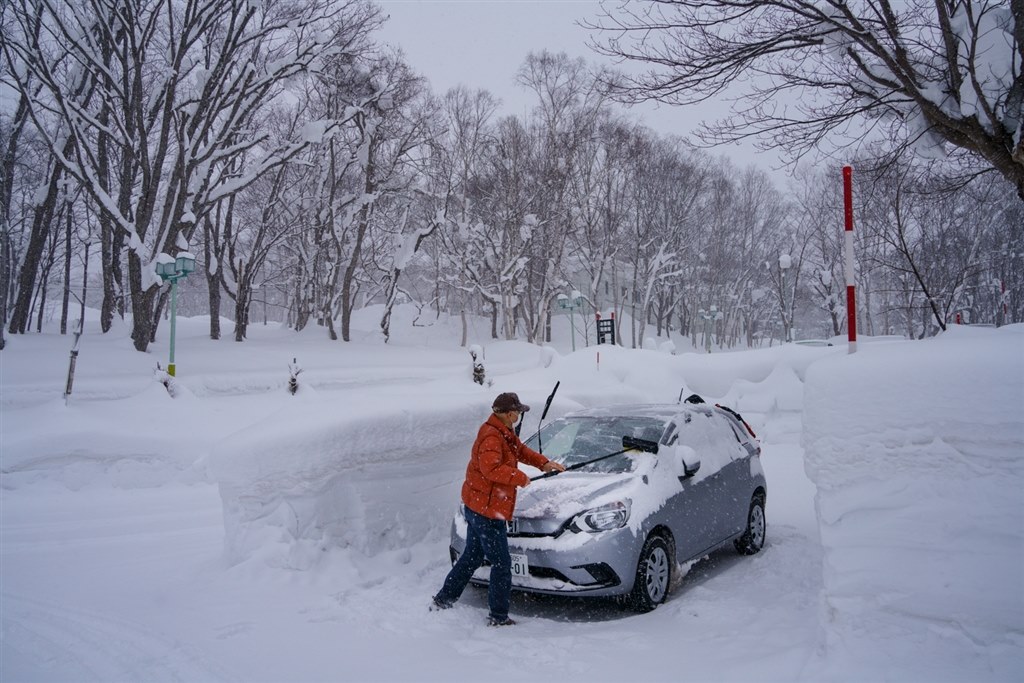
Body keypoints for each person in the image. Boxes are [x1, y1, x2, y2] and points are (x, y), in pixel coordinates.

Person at [431, 391, 565, 626]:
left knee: (471, 557)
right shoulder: (492, 437)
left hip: (478, 506)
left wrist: (543, 463)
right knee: (502, 565)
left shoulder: (503, 431)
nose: (519, 415)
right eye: (518, 411)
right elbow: (490, 470)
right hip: (487, 510)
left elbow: (520, 451)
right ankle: (498, 616)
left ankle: (444, 599)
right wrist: (519, 477)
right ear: (509, 413)